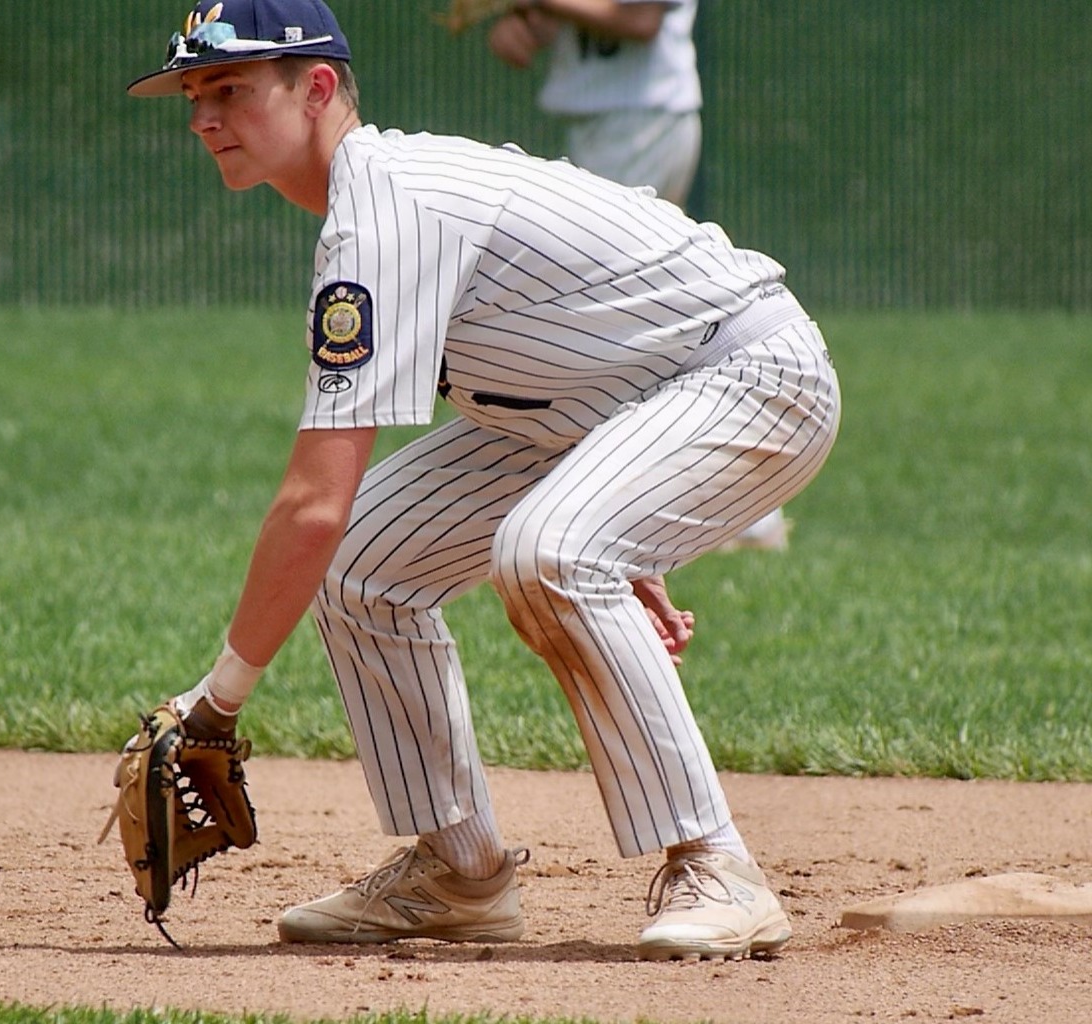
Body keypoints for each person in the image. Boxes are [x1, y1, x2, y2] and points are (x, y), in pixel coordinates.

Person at [126, 0, 840, 961]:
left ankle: (719, 867)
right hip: (621, 397)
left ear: (318, 87)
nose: (203, 117)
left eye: (229, 88)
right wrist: (625, 518)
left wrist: (217, 702)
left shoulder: (385, 214)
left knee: (549, 550)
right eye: (193, 95)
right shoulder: (373, 202)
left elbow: (312, 501)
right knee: (364, 564)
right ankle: (458, 873)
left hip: (754, 375)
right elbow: (572, 342)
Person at [487, 0, 791, 551]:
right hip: (615, 122)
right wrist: (527, 23)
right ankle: (742, 503)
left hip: (642, 121)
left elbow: (642, 18)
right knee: (649, 318)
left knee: (602, 316)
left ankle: (734, 502)